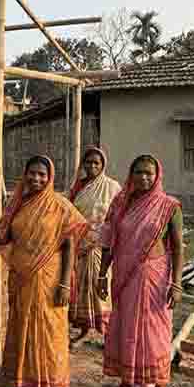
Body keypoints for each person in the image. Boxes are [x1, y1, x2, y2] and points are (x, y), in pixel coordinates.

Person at [0, 155, 87, 387]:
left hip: (50, 277)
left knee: (51, 330)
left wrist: (65, 284)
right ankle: (20, 380)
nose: (36, 178)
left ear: (50, 177)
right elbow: (4, 234)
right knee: (22, 327)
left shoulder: (60, 206)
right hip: (22, 277)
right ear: (25, 174)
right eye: (32, 173)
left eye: (42, 175)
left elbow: (69, 246)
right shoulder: (17, 202)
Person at [97, 155, 183, 387]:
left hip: (154, 277)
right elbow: (108, 241)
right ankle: (127, 380)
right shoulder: (121, 202)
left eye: (148, 173)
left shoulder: (169, 206)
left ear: (157, 175)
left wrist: (176, 284)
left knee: (155, 332)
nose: (143, 178)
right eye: (138, 173)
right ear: (131, 174)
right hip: (124, 275)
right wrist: (102, 274)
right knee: (125, 326)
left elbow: (178, 247)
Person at [67, 146, 121, 348]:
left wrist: (99, 235)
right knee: (82, 288)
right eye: (88, 162)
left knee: (99, 287)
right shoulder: (78, 187)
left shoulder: (112, 187)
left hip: (101, 246)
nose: (92, 166)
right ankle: (84, 331)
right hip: (80, 244)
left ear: (103, 165)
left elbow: (116, 215)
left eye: (96, 163)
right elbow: (70, 212)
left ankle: (108, 334)